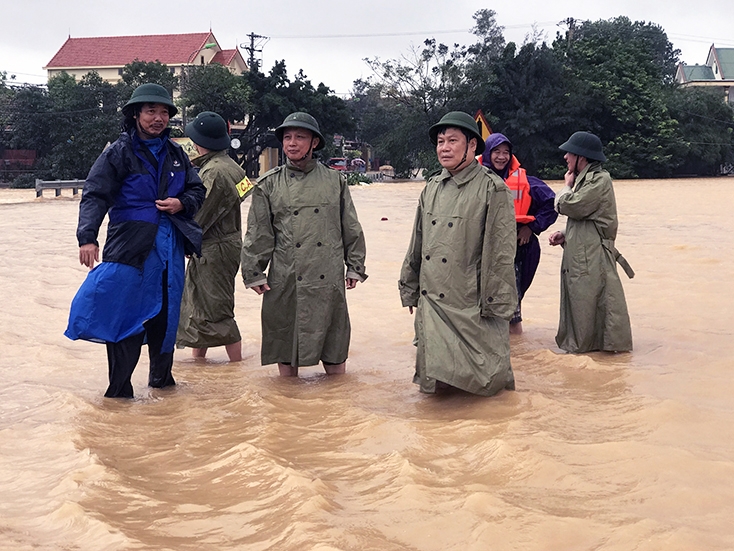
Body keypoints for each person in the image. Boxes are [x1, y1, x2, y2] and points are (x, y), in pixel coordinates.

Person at [65, 83, 206, 398]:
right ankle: (119, 393)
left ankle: (162, 389)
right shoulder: (118, 152)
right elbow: (95, 195)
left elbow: (198, 190)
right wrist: (87, 238)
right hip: (129, 249)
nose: (158, 118)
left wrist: (182, 203)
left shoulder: (177, 154)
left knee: (166, 320)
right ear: (135, 114)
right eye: (151, 111)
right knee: (125, 317)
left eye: (164, 112)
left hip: (170, 250)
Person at [398, 112, 517, 396]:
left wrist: (496, 304)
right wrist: (409, 286)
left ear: (473, 146)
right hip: (433, 297)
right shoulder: (432, 187)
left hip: (469, 300)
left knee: (481, 384)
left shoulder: (492, 188)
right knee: (438, 387)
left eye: (453, 140)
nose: (444, 148)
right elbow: (418, 241)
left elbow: (501, 252)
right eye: (440, 141)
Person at [240, 112, 367, 377]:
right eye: (287, 137)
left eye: (300, 137)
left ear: (314, 143)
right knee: (285, 353)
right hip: (286, 277)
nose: (292, 143)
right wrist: (253, 273)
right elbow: (258, 233)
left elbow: (351, 227)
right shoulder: (269, 184)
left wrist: (354, 267)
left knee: (334, 353)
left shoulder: (335, 181)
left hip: (327, 277)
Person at [176, 112, 253, 362]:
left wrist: (187, 240)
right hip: (227, 243)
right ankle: (199, 362)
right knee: (200, 306)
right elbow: (239, 197)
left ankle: (235, 366)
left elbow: (201, 213)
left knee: (217, 308)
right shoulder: (233, 167)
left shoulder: (214, 173)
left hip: (214, 247)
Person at [549, 131, 634, 353]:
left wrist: (566, 186)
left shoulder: (599, 180)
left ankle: (598, 352)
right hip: (584, 254)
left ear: (581, 157)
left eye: (569, 153)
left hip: (593, 255)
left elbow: (571, 205)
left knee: (594, 302)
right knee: (583, 303)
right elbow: (588, 219)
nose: (566, 157)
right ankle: (588, 350)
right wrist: (565, 233)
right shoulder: (587, 180)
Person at [480, 133, 558, 335]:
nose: (501, 157)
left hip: (516, 250)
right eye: (496, 151)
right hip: (482, 250)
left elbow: (552, 205)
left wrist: (531, 228)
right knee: (478, 308)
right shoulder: (474, 180)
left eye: (506, 152)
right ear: (487, 153)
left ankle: (518, 356)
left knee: (512, 309)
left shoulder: (526, 181)